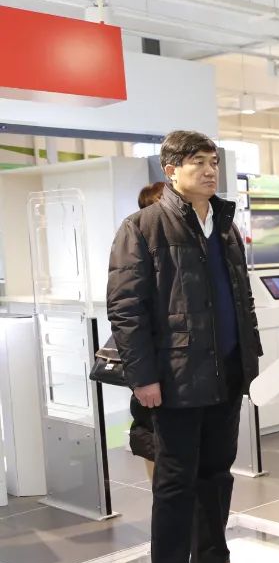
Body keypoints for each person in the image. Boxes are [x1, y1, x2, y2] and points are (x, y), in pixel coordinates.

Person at [106, 132, 263, 563]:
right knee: (174, 485)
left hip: (226, 372)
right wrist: (143, 377)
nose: (211, 170)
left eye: (214, 161)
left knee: (217, 472)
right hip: (174, 380)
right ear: (171, 169)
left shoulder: (226, 225)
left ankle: (210, 559)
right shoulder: (143, 227)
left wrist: (250, 359)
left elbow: (242, 299)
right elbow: (126, 310)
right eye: (199, 162)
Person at [127, 181, 167, 481]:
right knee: (152, 435)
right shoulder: (137, 243)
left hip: (179, 369)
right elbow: (128, 312)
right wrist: (143, 377)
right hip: (154, 364)